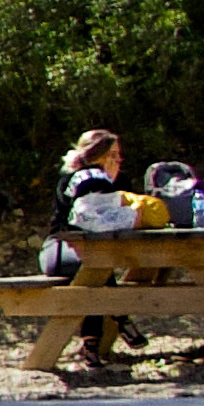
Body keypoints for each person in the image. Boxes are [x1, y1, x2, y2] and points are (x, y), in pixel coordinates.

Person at [43, 127, 156, 370]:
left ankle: (93, 346)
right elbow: (83, 220)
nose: (118, 161)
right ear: (96, 157)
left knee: (97, 268)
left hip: (99, 255)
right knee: (93, 269)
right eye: (112, 155)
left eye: (119, 155)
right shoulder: (73, 181)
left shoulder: (119, 183)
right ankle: (119, 321)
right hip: (62, 249)